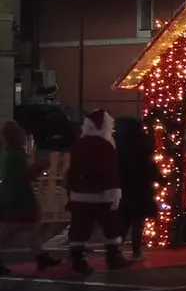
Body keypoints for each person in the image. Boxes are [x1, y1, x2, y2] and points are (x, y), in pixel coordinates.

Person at [66, 109, 129, 274]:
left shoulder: (79, 144)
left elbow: (72, 169)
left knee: (80, 227)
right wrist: (114, 192)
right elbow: (109, 170)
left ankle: (78, 260)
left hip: (79, 194)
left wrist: (71, 189)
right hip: (101, 195)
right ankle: (114, 257)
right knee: (111, 226)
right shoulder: (105, 145)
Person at [0, 121, 60, 274]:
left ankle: (41, 256)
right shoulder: (14, 155)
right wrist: (39, 166)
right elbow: (23, 176)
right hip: (17, 197)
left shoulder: (10, 153)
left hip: (15, 195)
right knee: (13, 229)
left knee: (28, 227)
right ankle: (41, 257)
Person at [117, 120, 160, 260]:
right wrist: (160, 179)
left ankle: (116, 249)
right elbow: (153, 170)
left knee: (125, 222)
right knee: (137, 223)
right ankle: (136, 251)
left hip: (126, 191)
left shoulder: (123, 150)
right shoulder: (144, 148)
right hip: (142, 191)